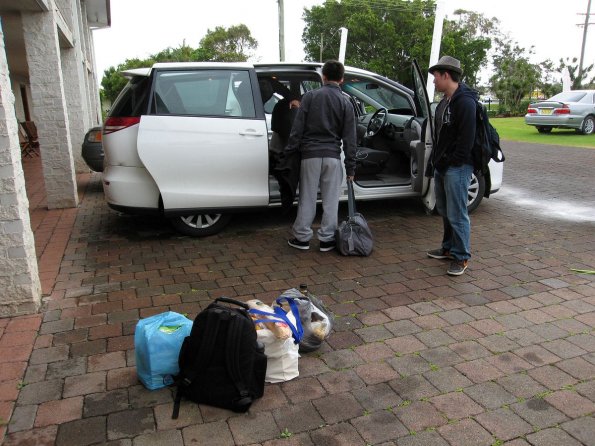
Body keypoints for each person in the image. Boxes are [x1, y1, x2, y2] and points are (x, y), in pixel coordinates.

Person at [285, 60, 357, 252]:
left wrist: (290, 153)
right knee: (331, 200)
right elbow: (350, 139)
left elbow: (297, 129)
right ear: (341, 79)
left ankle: (302, 238)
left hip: (310, 156)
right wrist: (351, 167)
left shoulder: (309, 97)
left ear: (323, 77)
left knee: (307, 198)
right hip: (333, 156)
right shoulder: (346, 102)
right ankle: (327, 239)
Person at [426, 56, 478, 276]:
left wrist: (453, 163)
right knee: (445, 210)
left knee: (457, 213)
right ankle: (448, 248)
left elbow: (466, 140)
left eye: (436, 77)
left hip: (458, 167)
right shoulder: (445, 102)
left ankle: (461, 256)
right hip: (444, 165)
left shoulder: (465, 102)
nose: (434, 81)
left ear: (446, 75)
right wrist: (438, 163)